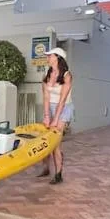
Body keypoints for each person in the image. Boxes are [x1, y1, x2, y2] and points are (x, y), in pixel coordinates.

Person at [38, 47, 74, 184]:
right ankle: (46, 168)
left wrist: (56, 119)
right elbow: (46, 98)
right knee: (45, 138)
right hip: (51, 107)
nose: (47, 58)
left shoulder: (67, 75)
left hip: (64, 108)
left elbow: (63, 100)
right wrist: (47, 116)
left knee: (55, 142)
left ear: (58, 58)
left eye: (50, 56)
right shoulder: (47, 76)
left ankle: (58, 174)